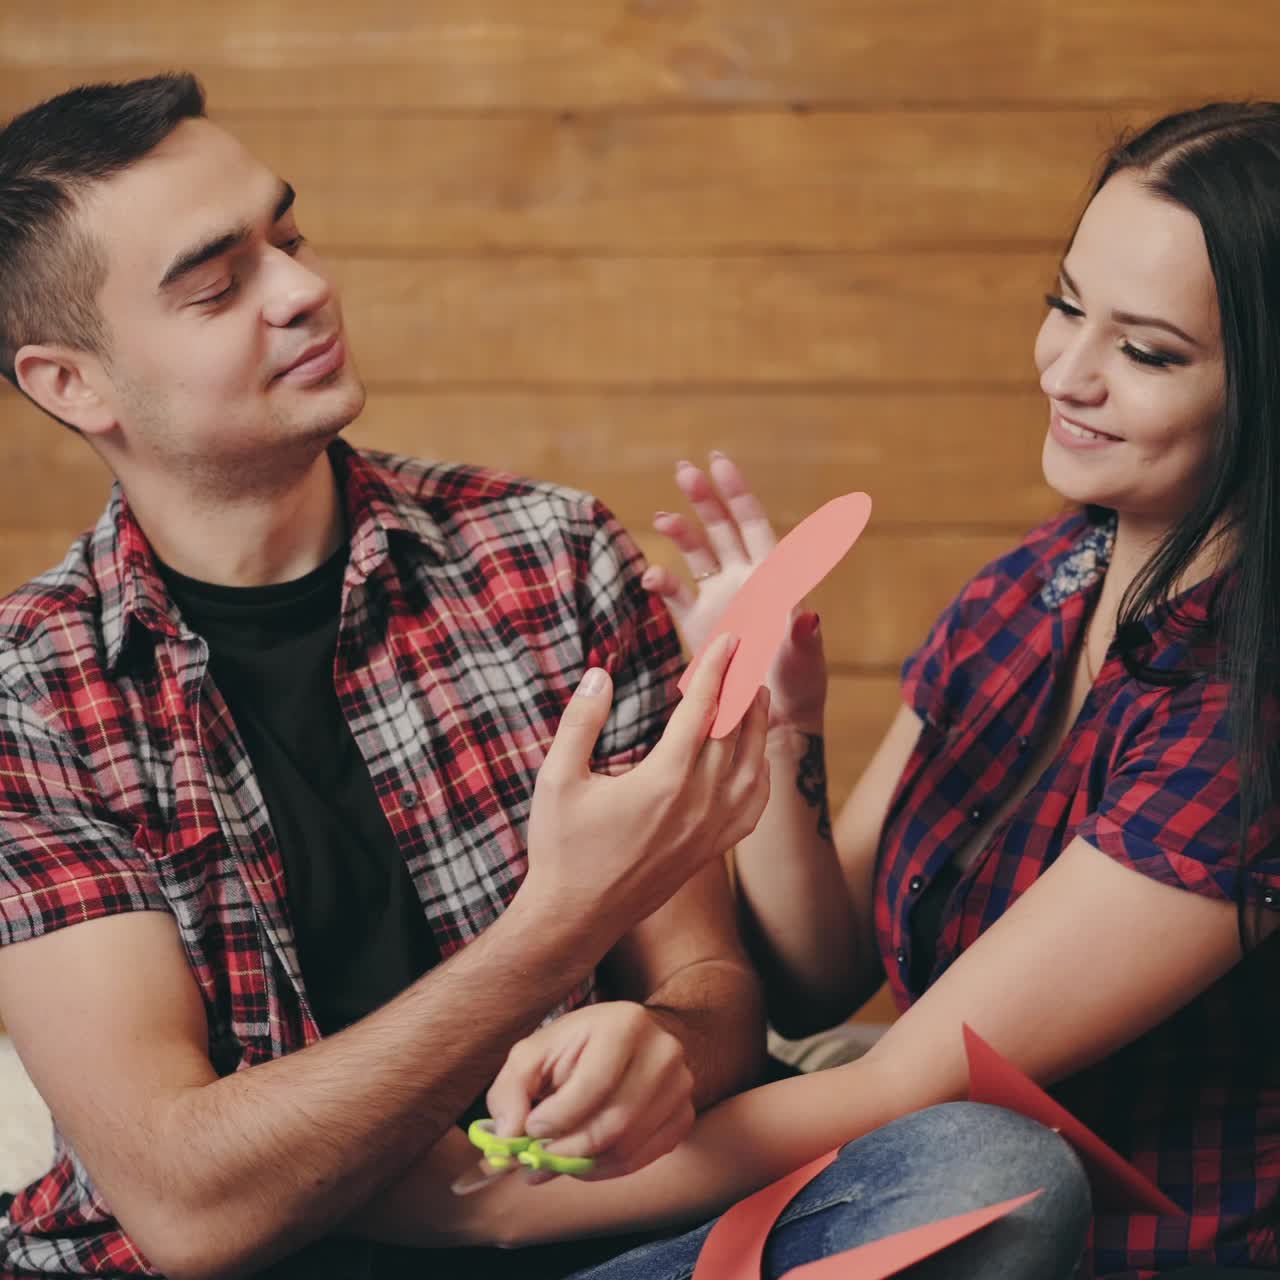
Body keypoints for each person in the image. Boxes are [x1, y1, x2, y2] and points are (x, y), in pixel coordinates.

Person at [0, 72, 1085, 1280]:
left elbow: (711, 982)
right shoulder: (34, 694)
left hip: (593, 1249)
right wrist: (552, 926)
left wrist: (662, 1044)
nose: (303, 290)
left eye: (289, 237)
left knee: (990, 1173)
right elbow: (192, 1208)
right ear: (69, 383)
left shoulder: (543, 552)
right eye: (218, 285)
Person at [370, 103, 1280, 1279]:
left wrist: (479, 1203)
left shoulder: (1243, 709)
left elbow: (899, 1080)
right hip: (917, 1161)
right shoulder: (1040, 584)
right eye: (1063, 305)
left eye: (1146, 351)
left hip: (1125, 1242)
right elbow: (822, 966)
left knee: (979, 1165)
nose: (1066, 370)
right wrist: (772, 724)